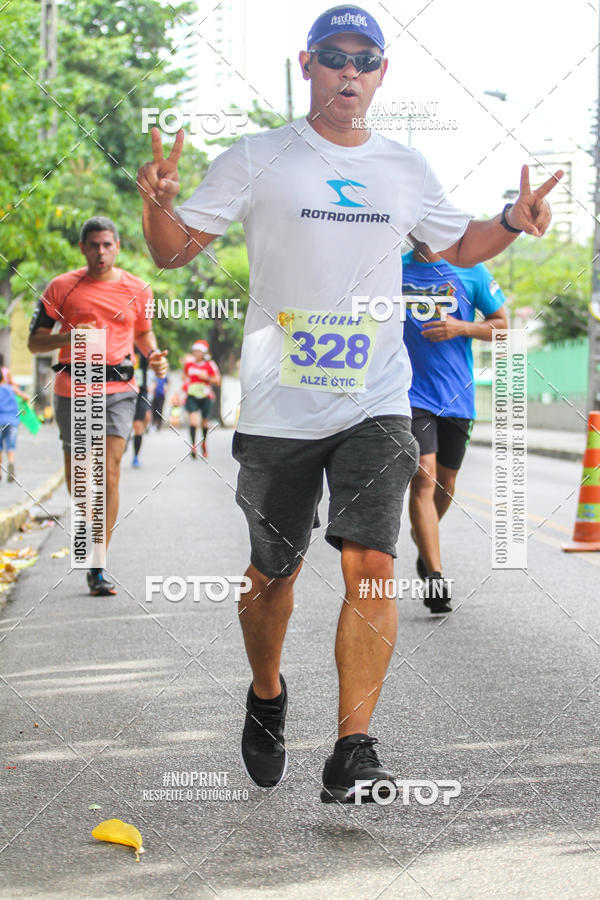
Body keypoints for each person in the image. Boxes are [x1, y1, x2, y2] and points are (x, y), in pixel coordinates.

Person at [136, 4, 561, 803]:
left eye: (366, 60)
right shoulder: (259, 157)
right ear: (308, 67)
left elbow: (454, 244)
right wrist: (156, 201)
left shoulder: (404, 167)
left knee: (371, 564)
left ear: (381, 75)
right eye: (334, 57)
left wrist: (510, 219)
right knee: (273, 575)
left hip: (378, 401)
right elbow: (172, 247)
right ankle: (267, 695)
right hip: (277, 408)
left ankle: (353, 747)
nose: (350, 72)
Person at [28, 216, 168, 596]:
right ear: (82, 248)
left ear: (118, 246)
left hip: (119, 387)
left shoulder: (138, 289)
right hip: (72, 388)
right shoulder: (60, 288)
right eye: (94, 245)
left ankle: (97, 562)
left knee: (108, 472)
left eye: (107, 244)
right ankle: (90, 533)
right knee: (80, 483)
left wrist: (153, 355)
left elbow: (142, 332)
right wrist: (70, 335)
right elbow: (34, 343)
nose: (101, 251)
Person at [402, 238, 508, 614]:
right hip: (409, 394)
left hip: (456, 395)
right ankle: (434, 574)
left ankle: (422, 540)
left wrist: (460, 327)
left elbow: (503, 328)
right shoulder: (391, 270)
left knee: (445, 484)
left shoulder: (472, 269)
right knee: (423, 476)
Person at [183, 340, 220, 458]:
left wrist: (207, 377)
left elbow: (218, 381)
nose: (197, 353)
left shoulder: (210, 364)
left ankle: (204, 443)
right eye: (195, 351)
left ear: (203, 353)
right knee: (193, 421)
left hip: (206, 396)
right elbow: (184, 377)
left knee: (204, 422)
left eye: (199, 351)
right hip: (192, 396)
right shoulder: (189, 365)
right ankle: (193, 446)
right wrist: (185, 385)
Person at [0, 368, 22, 482]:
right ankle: (11, 463)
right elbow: (26, 397)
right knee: (10, 446)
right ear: (4, 378)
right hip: (13, 421)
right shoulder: (11, 388)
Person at [131, 348, 152, 468]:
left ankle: (135, 456)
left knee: (138, 426)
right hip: (121, 391)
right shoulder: (119, 347)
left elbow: (153, 361)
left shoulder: (142, 349)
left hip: (140, 392)